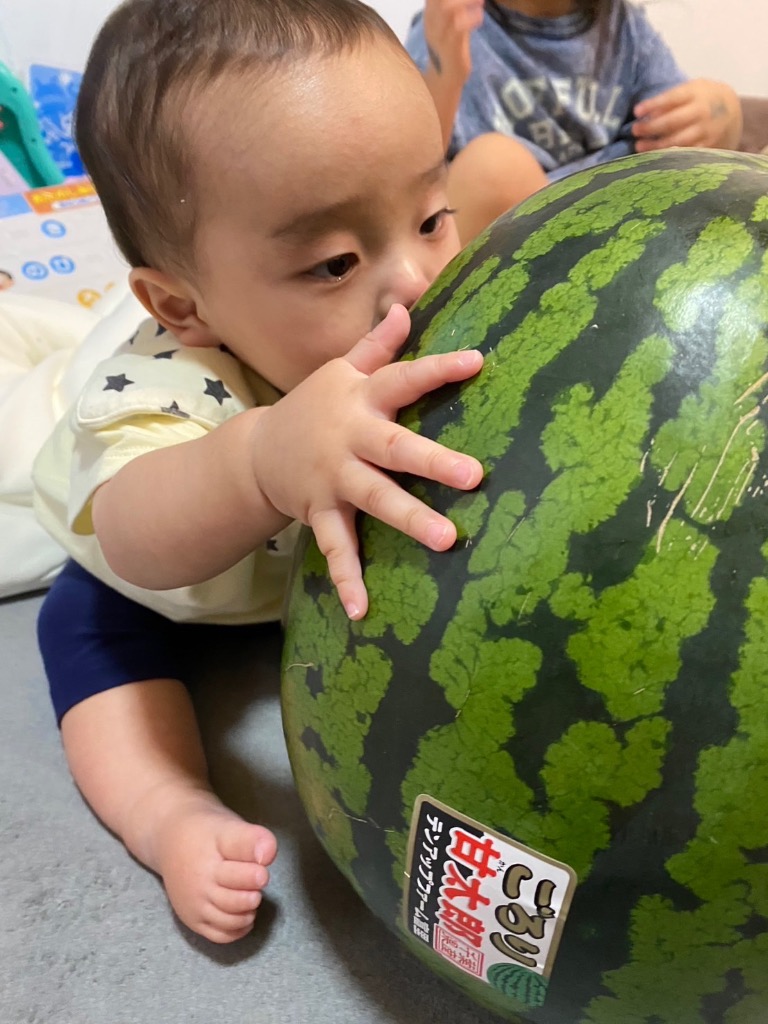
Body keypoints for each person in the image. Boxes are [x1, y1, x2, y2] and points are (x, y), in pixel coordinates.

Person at [32, 0, 485, 945]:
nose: (416, 282)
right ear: (182, 304)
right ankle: (166, 813)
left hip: (303, 576)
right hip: (174, 589)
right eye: (333, 262)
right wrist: (262, 460)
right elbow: (132, 533)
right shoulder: (164, 388)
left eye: (432, 215)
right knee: (86, 632)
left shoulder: (415, 303)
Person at [406, 0, 744, 244]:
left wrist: (723, 111)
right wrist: (444, 72)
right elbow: (408, 189)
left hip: (618, 228)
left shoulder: (625, 27)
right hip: (506, 252)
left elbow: (683, 149)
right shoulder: (448, 27)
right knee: (493, 168)